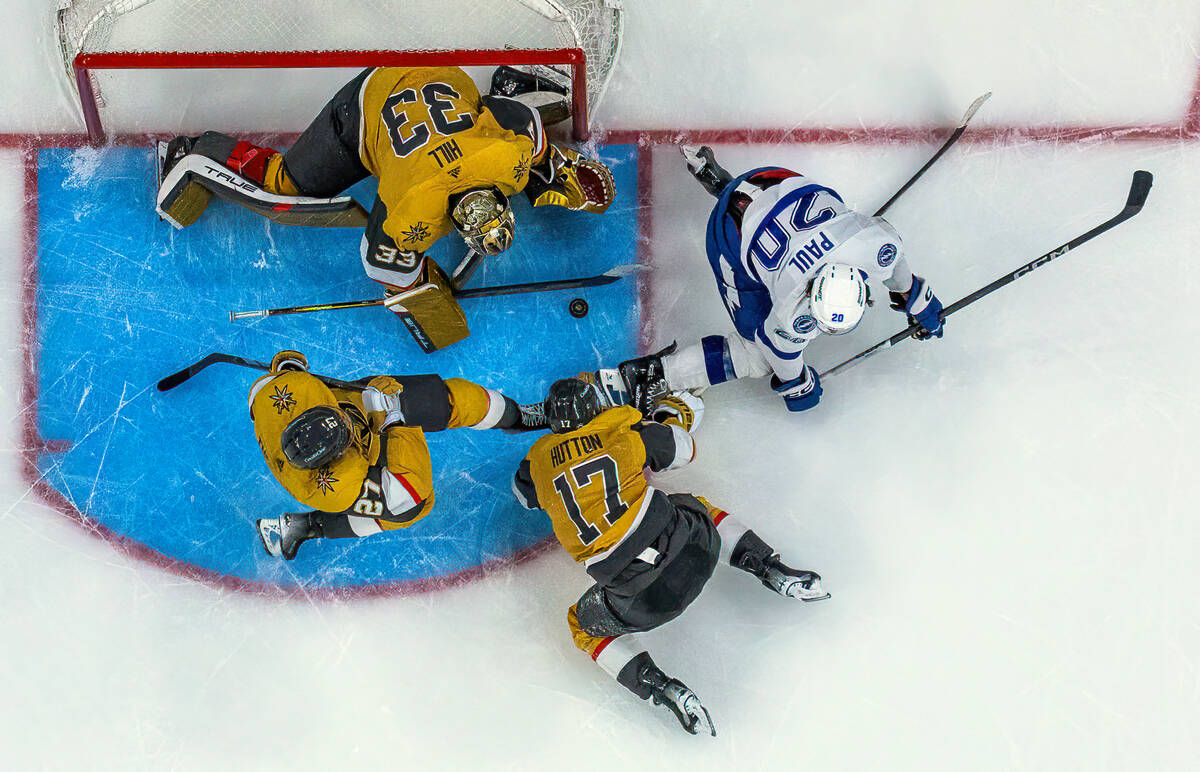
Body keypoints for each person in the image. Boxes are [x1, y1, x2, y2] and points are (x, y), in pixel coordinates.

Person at [155, 66, 615, 352]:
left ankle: (516, 85)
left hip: (432, 73)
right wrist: (422, 292)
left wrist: (555, 165)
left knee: (529, 151)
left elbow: (521, 122)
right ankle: (194, 153)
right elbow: (381, 264)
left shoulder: (508, 160)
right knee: (287, 185)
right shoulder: (411, 213)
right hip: (365, 107)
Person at [512, 378, 828, 735]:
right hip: (696, 547)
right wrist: (673, 414)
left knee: (583, 626)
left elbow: (522, 495)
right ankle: (768, 566)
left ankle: (660, 687)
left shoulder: (537, 461)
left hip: (639, 599)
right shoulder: (623, 432)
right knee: (695, 507)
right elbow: (685, 448)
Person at [616, 145, 944, 413]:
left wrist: (912, 291)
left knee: (776, 248)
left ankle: (723, 183)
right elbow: (778, 352)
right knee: (754, 353)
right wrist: (797, 384)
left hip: (772, 179)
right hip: (728, 233)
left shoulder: (874, 242)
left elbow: (894, 260)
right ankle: (658, 375)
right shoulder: (794, 311)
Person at [251, 349, 544, 560]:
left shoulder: (288, 393)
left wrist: (288, 364)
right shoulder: (334, 488)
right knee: (413, 507)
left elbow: (281, 370)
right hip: (368, 455)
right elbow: (408, 490)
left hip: (354, 403)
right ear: (335, 456)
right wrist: (392, 416)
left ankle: (517, 416)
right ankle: (309, 526)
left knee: (451, 398)